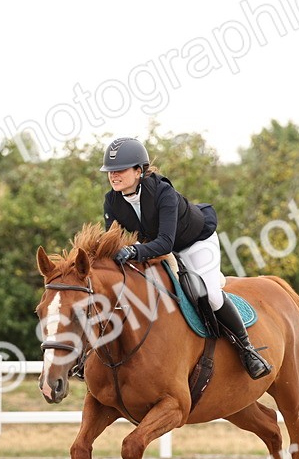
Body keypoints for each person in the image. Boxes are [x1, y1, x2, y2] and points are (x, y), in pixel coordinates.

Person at [99, 137, 272, 380]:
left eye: (120, 170)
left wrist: (134, 251)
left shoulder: (162, 192)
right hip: (155, 246)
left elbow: (166, 243)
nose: (113, 176)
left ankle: (247, 350)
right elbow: (113, 241)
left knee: (209, 294)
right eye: (110, 171)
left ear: (139, 170)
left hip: (196, 243)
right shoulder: (112, 200)